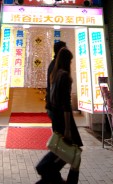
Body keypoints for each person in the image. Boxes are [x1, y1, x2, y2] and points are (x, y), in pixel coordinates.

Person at [36, 47, 83, 184]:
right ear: (67, 61)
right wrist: (68, 128)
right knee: (68, 149)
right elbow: (66, 104)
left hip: (56, 117)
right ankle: (49, 170)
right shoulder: (64, 76)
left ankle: (50, 172)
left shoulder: (54, 74)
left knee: (62, 148)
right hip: (63, 120)